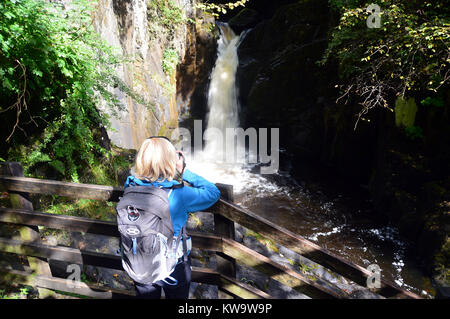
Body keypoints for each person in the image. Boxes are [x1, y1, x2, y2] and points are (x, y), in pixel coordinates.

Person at [123, 136, 221, 299]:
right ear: (170, 161)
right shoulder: (179, 194)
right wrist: (183, 171)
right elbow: (213, 193)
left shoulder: (130, 186)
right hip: (173, 266)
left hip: (139, 262)